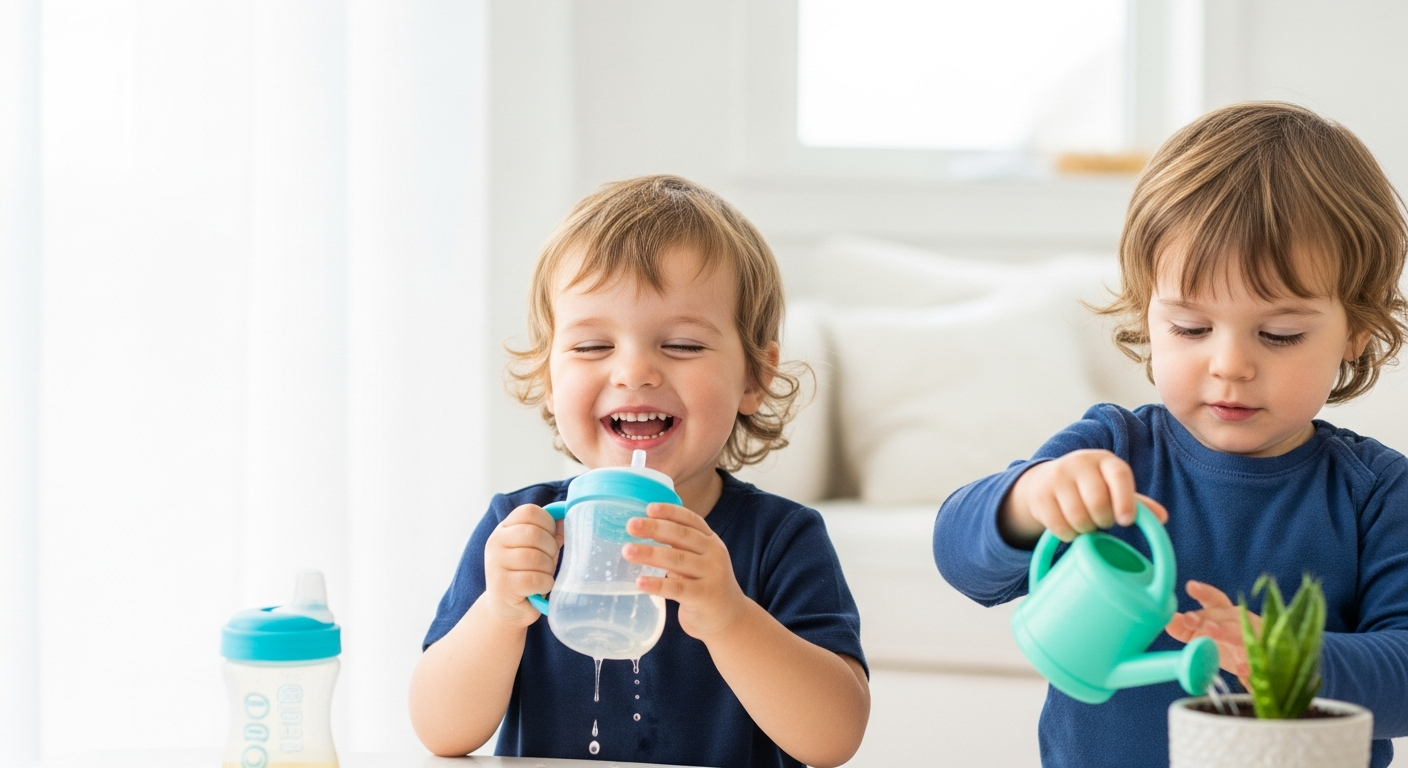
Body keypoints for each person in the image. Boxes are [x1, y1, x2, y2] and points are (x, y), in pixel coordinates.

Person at [934, 102, 1408, 768]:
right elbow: (958, 553)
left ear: (1356, 331)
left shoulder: (1377, 493)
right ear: (1147, 314)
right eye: (1190, 328)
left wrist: (1284, 658)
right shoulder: (1111, 451)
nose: (1230, 364)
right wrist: (1030, 500)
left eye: (1279, 335)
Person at [409, 175, 870, 768]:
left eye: (681, 345)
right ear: (549, 380)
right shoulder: (520, 527)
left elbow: (833, 740)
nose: (634, 371)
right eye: (592, 347)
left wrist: (729, 616)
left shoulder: (780, 539)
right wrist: (499, 611)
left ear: (753, 376)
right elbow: (440, 731)